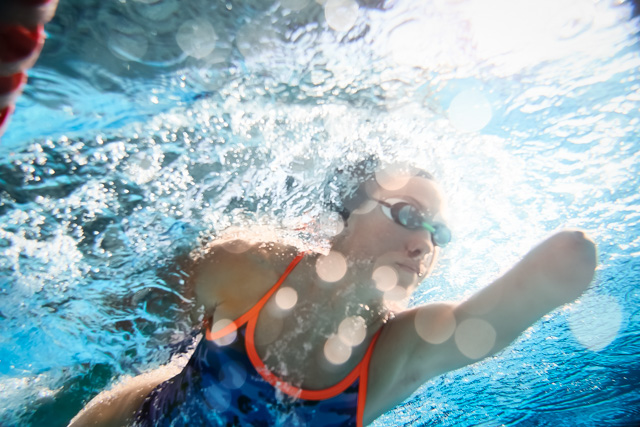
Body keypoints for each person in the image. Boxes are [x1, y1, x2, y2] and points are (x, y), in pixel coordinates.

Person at [68, 161, 597, 426]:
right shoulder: (247, 265)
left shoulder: (394, 355)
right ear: (340, 219)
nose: (423, 245)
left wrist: (568, 263)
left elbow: (521, 300)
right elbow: (129, 317)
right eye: (409, 215)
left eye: (439, 234)